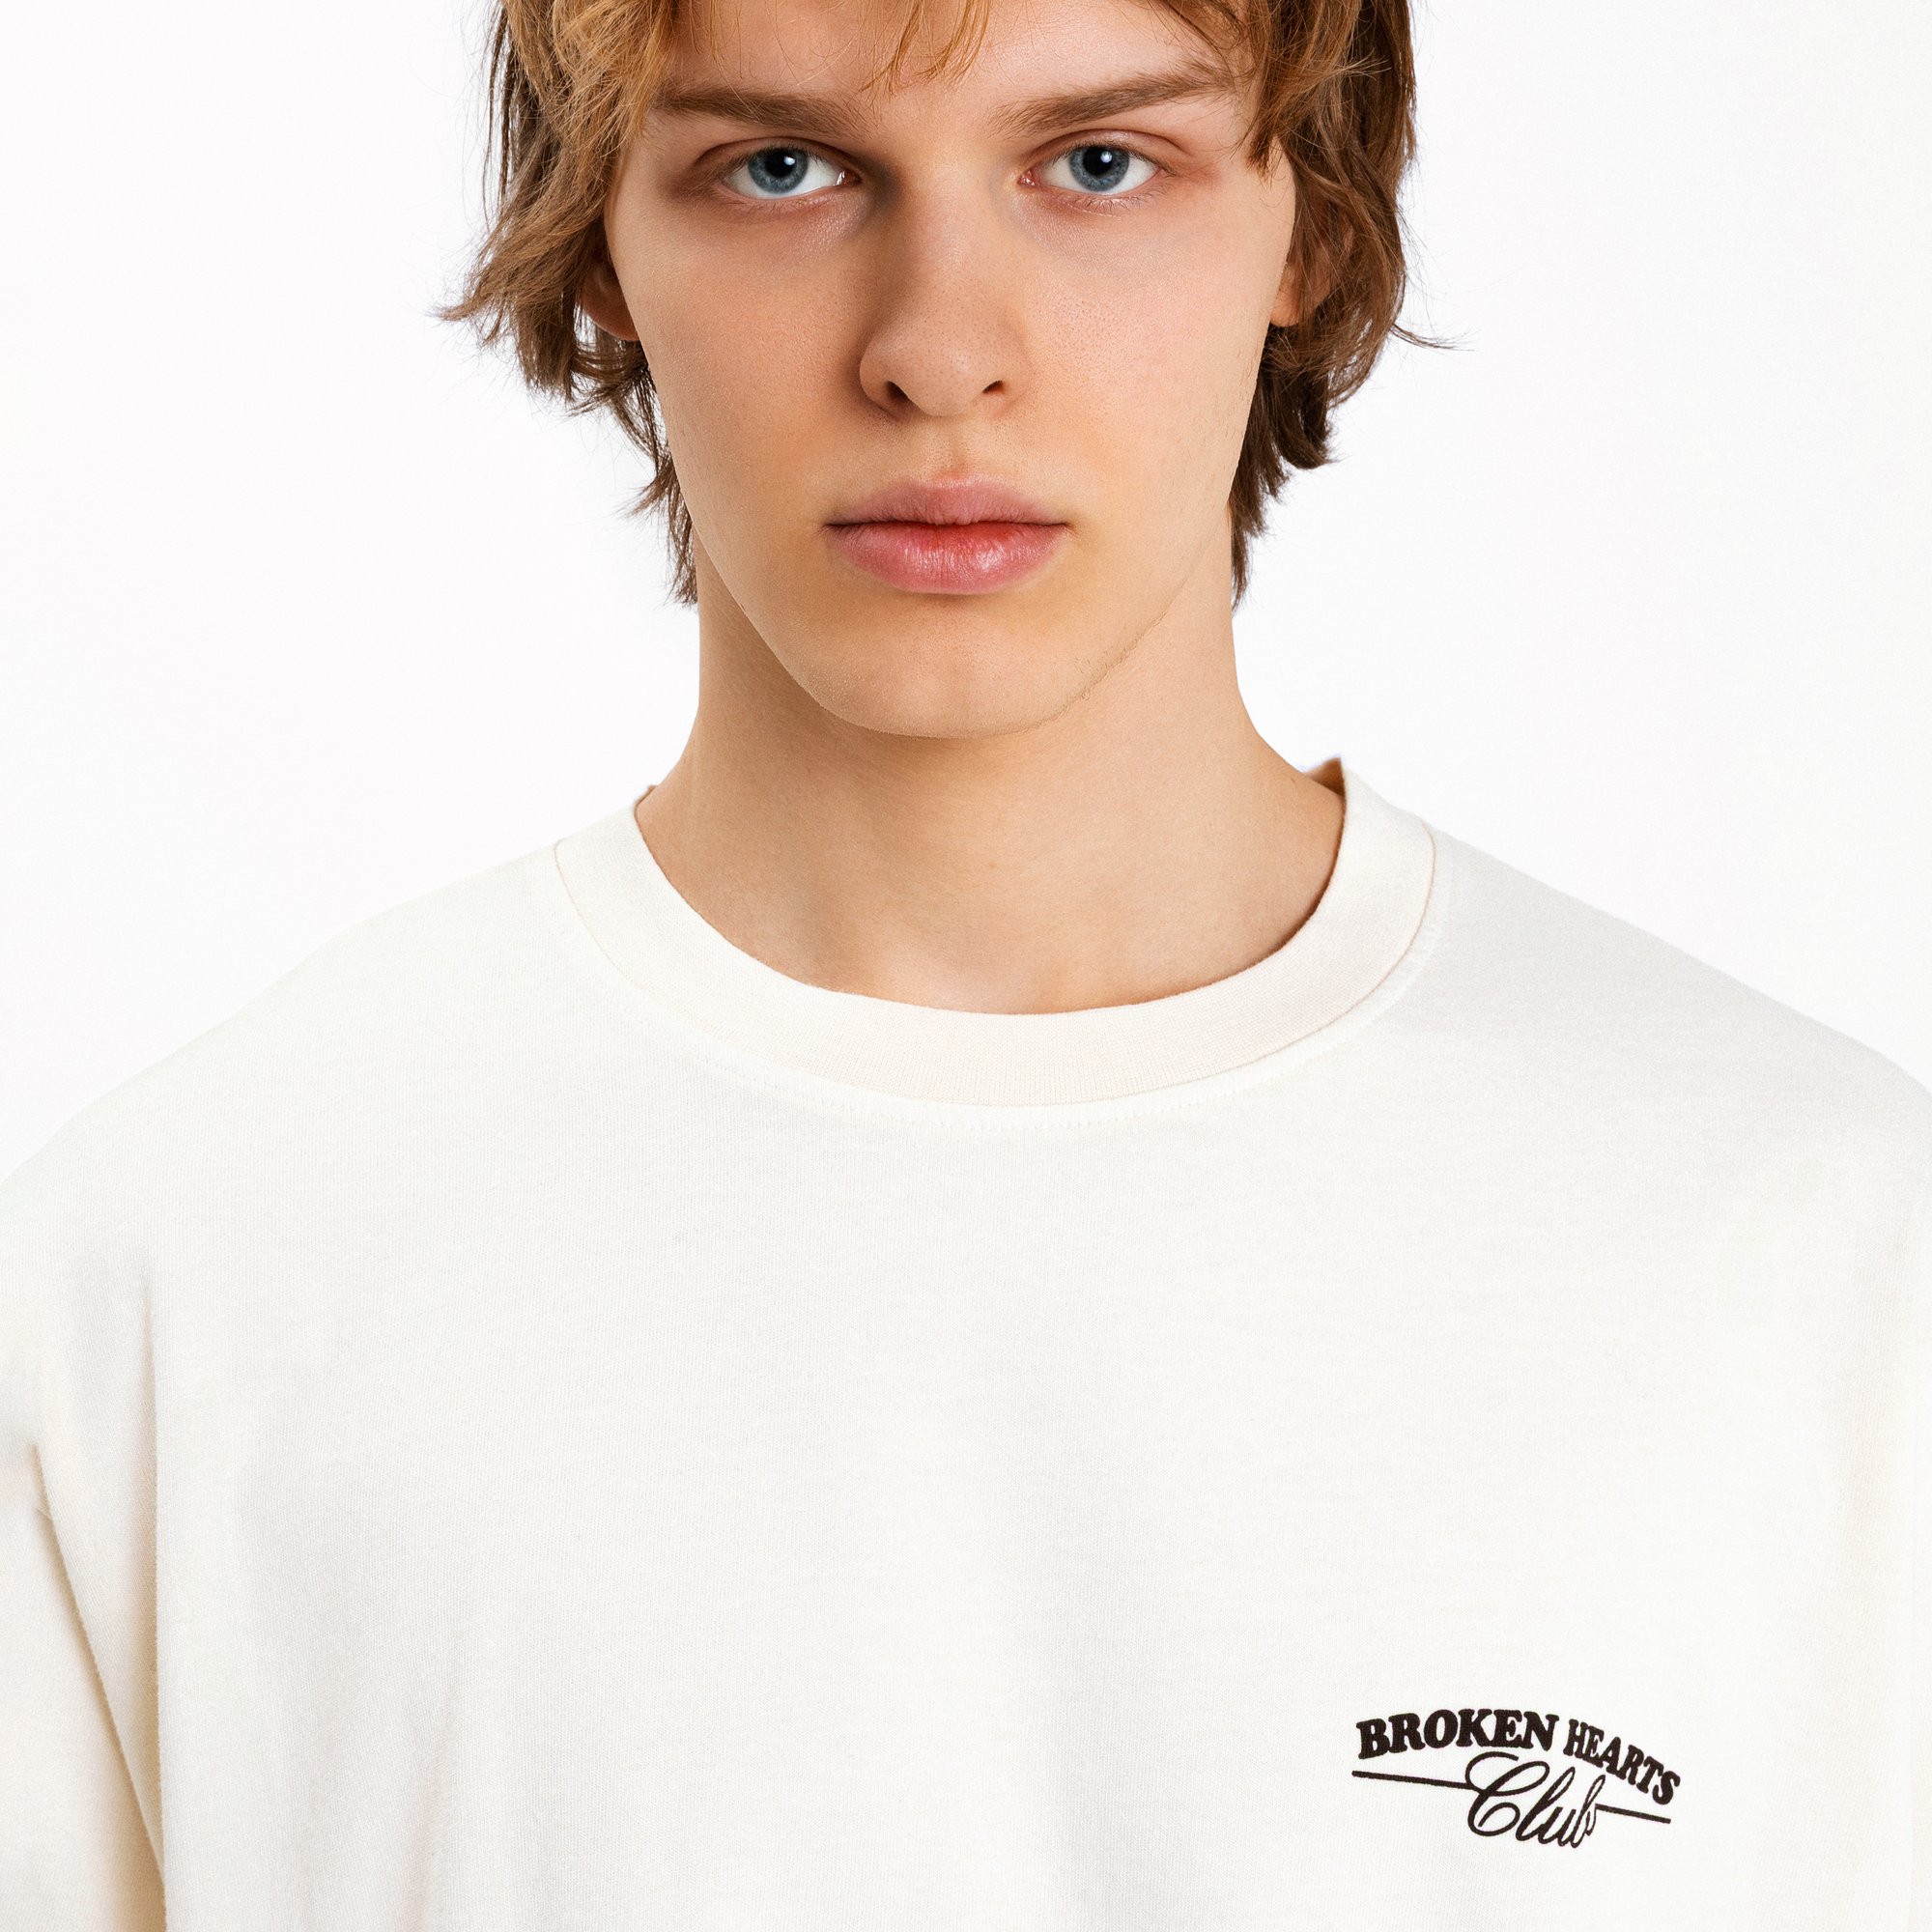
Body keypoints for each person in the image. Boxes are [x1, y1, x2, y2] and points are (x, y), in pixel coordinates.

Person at [3, 0, 1927, 1920]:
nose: (937, 351)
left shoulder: (1828, 1258)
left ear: (1313, 228)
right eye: (781, 169)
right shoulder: (169, 1278)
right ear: (600, 247)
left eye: (1098, 165)